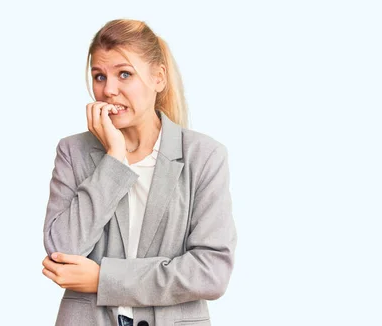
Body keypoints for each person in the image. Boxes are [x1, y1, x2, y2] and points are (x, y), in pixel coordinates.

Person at [41, 18, 237, 326]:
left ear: (158, 78)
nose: (109, 90)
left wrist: (104, 279)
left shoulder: (204, 156)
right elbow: (61, 253)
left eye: (124, 74)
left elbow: (210, 272)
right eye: (99, 76)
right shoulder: (72, 151)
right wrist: (114, 160)